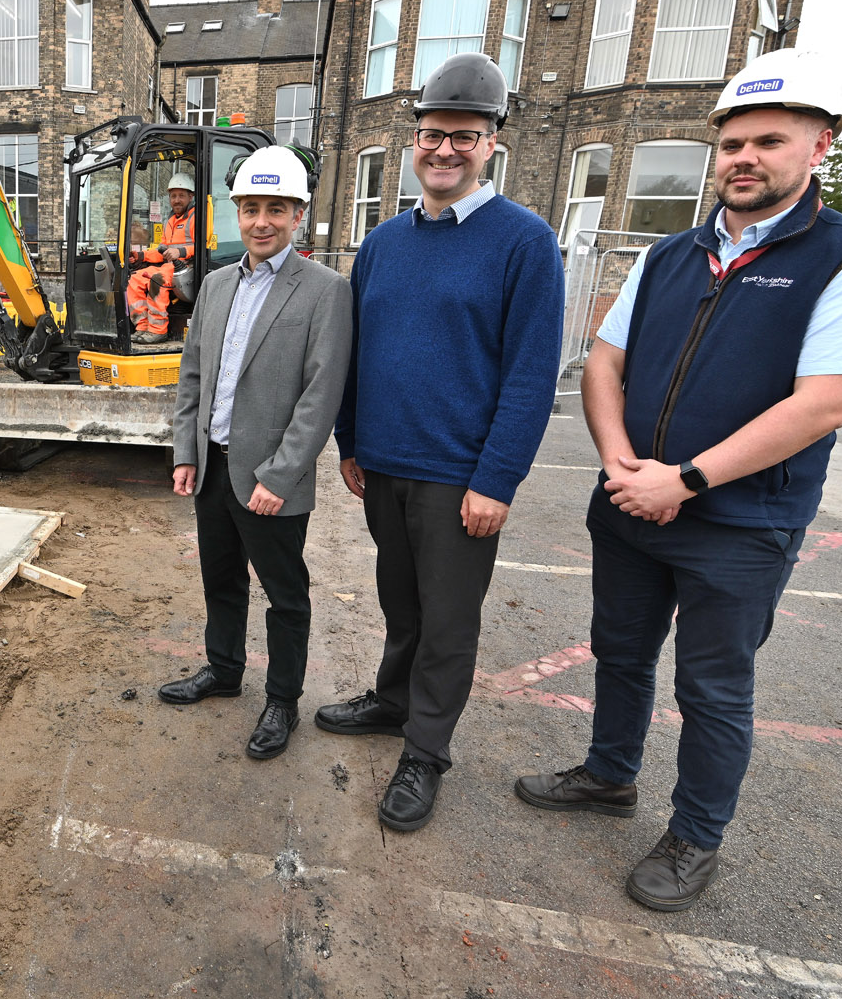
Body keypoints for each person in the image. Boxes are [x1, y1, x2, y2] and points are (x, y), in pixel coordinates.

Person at [514, 48, 842, 912]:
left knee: (713, 688)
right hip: (629, 503)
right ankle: (610, 775)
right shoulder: (671, 255)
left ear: (819, 148)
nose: (744, 158)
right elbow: (603, 363)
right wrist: (618, 461)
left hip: (740, 525)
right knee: (619, 654)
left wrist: (683, 480)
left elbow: (821, 406)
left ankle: (695, 837)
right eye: (731, 143)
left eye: (769, 141)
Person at [321, 52, 563, 831]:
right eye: (432, 133)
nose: (445, 149)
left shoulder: (524, 243)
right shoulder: (385, 243)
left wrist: (497, 480)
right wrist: (350, 442)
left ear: (492, 142)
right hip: (384, 467)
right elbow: (360, 351)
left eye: (464, 135)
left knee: (449, 621)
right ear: (414, 140)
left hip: (460, 479)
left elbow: (530, 377)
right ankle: (394, 702)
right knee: (403, 603)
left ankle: (426, 751)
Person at [159, 146, 352, 760]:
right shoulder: (216, 284)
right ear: (234, 214)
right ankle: (223, 669)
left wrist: (282, 474)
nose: (261, 221)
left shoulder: (325, 291)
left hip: (272, 480)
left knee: (285, 594)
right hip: (213, 467)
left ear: (298, 215)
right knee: (220, 580)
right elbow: (193, 375)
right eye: (250, 208)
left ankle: (282, 701)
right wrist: (185, 451)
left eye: (276, 208)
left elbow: (321, 395)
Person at [128, 173, 197, 344]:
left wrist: (180, 252)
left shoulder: (197, 218)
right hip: (169, 266)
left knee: (156, 279)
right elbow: (162, 250)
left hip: (187, 267)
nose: (176, 200)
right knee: (135, 279)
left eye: (181, 195)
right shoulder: (170, 221)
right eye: (173, 196)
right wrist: (141, 255)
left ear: (191, 196)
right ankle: (143, 326)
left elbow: (203, 246)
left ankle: (158, 330)